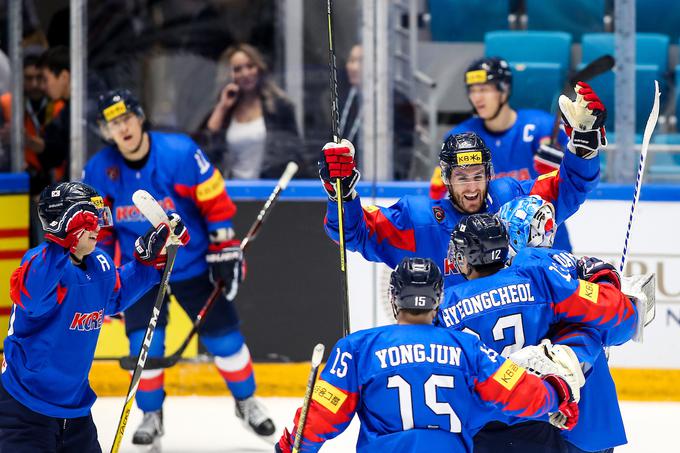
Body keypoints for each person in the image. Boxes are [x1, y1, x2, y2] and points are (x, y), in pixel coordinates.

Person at [82, 89, 275, 447]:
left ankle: (247, 402)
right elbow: (102, 231)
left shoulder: (180, 153)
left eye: (126, 119)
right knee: (145, 347)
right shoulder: (100, 170)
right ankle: (151, 415)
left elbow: (215, 202)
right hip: (139, 270)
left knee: (226, 340)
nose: (121, 128)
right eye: (113, 124)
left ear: (140, 118)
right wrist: (104, 275)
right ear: (106, 132)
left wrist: (224, 248)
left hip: (192, 262)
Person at [320, 79, 606, 289]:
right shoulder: (417, 219)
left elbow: (569, 187)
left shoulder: (513, 199)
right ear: (446, 179)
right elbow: (353, 232)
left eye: (478, 176)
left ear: (490, 175)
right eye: (462, 178)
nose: (471, 188)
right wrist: (342, 194)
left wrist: (582, 148)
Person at [276, 257, 583, 453]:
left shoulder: (357, 348)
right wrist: (557, 394)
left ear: (394, 298)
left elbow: (322, 414)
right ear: (438, 300)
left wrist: (290, 447)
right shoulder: (466, 347)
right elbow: (517, 391)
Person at [0, 181, 181, 452]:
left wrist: (148, 263)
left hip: (76, 412)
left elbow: (115, 295)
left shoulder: (99, 263)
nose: (98, 226)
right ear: (65, 222)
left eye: (99, 218)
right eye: (90, 218)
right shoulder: (40, 263)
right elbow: (31, 297)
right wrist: (61, 240)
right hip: (24, 410)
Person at [438, 213, 639, 452]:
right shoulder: (537, 278)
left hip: (481, 431)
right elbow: (615, 317)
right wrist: (605, 283)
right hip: (541, 417)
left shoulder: (447, 305)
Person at [498, 195, 640, 453]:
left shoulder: (517, 279)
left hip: (541, 425)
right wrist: (608, 284)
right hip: (586, 425)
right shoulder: (574, 273)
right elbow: (623, 325)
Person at [429, 57, 574, 250]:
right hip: (487, 252)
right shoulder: (460, 138)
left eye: (484, 89)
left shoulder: (542, 127)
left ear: (504, 89)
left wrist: (561, 166)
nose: (476, 98)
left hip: (547, 244)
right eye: (472, 90)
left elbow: (574, 181)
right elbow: (437, 194)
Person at [200, 43, 307, 179]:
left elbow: (295, 154)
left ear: (259, 68)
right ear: (229, 74)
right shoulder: (225, 111)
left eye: (250, 66)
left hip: (270, 188)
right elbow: (206, 153)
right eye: (237, 69)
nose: (245, 74)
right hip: (233, 191)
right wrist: (222, 108)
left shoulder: (278, 107)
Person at [0, 52, 66, 245]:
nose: (35, 84)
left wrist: (27, 140)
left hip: (53, 181)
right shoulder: (6, 104)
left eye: (40, 78)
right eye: (29, 78)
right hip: (17, 181)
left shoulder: (58, 104)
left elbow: (58, 148)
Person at [338, 44, 415, 180]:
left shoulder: (395, 102)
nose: (353, 67)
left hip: (378, 184)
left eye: (360, 61)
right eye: (351, 61)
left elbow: (404, 151)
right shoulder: (343, 98)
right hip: (343, 181)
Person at [37, 45, 71, 182]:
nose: (43, 87)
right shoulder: (66, 111)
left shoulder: (87, 110)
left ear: (63, 77)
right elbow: (56, 150)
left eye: (46, 79)